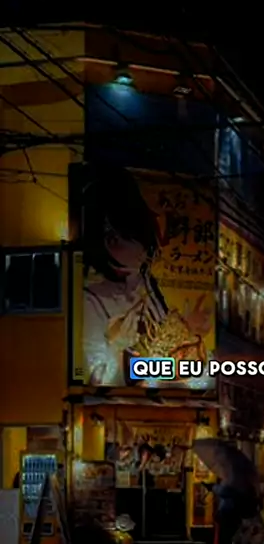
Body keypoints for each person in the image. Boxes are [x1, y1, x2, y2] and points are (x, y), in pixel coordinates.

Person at [81, 165, 169, 386]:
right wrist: (117, 346)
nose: (141, 252)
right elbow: (95, 378)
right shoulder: (91, 299)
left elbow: (164, 335)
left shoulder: (145, 282)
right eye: (125, 238)